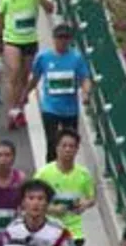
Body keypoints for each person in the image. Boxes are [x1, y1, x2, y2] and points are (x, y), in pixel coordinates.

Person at [23, 23, 91, 160]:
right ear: (54, 39)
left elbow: (85, 78)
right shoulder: (44, 57)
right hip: (50, 108)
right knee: (52, 143)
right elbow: (35, 77)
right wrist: (25, 94)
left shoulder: (76, 58)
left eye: (66, 38)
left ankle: (68, 169)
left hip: (70, 109)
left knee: (70, 144)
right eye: (60, 38)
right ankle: (50, 172)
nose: (63, 41)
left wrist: (86, 93)